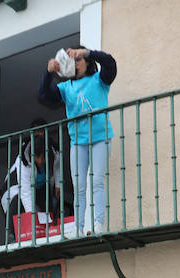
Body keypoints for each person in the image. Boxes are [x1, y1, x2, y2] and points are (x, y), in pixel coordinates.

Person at [38, 45, 118, 236]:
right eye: (72, 60)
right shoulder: (66, 87)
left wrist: (88, 52)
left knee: (97, 181)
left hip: (100, 138)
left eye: (78, 59)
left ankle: (98, 224)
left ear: (87, 62)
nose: (74, 63)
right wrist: (48, 73)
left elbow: (110, 64)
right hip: (78, 142)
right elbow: (43, 95)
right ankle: (79, 228)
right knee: (79, 186)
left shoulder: (99, 80)